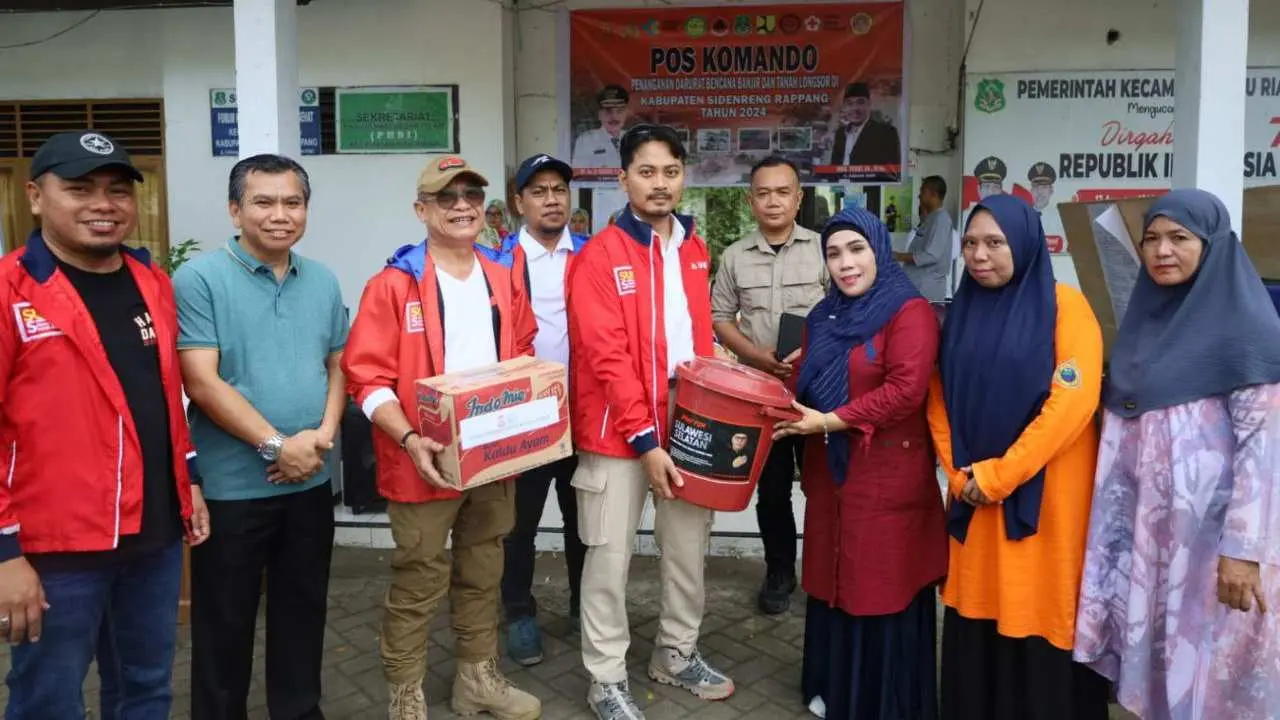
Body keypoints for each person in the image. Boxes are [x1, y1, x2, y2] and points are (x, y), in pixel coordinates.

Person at [0, 130, 210, 718]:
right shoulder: (10, 290)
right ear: (37, 197)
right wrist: (4, 553)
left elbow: (165, 395)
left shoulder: (151, 283)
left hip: (154, 533)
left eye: (118, 190)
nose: (103, 203)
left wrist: (187, 476)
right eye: (79, 188)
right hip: (55, 544)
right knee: (49, 696)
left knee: (146, 685)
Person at [342, 155, 540, 720]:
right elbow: (366, 377)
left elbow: (522, 353)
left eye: (471, 196)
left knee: (483, 567)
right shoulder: (392, 284)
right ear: (421, 209)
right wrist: (408, 439)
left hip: (492, 456)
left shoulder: (503, 275)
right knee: (419, 576)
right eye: (446, 198)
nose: (461, 207)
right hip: (421, 460)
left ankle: (477, 677)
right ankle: (405, 689)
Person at [1074, 189, 1280, 720]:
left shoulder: (1249, 331)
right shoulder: (1143, 327)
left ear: (1213, 245)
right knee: (1161, 676)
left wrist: (1243, 550)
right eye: (1152, 240)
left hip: (1214, 550)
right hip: (1152, 543)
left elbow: (1264, 453)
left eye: (1180, 238)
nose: (1162, 251)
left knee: (1212, 681)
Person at [567, 124, 733, 719]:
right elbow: (606, 357)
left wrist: (716, 408)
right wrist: (644, 440)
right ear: (623, 179)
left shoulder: (692, 247)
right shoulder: (598, 256)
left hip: (688, 424)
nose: (659, 184)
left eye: (669, 172)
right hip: (618, 432)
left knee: (688, 548)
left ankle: (676, 653)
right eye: (646, 172)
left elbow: (699, 339)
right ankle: (606, 676)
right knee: (609, 557)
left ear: (683, 177)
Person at [175, 154, 348, 720]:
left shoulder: (321, 279)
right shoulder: (199, 279)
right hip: (233, 491)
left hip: (309, 483)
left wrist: (321, 435)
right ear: (235, 209)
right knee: (225, 623)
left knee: (303, 613)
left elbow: (338, 365)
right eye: (264, 202)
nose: (280, 215)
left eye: (292, 202)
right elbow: (200, 380)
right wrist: (278, 446)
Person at [927, 194, 1111, 720]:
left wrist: (1000, 476)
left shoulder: (1065, 306)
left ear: (1026, 243)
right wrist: (958, 471)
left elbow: (1070, 402)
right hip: (973, 496)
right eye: (970, 243)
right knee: (979, 609)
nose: (979, 255)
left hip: (1045, 499)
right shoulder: (959, 312)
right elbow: (936, 394)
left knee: (1038, 606)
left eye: (994, 242)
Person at [773, 206, 946, 720]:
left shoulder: (908, 312)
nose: (845, 264)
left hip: (887, 477)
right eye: (834, 253)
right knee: (833, 577)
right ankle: (833, 686)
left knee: (881, 581)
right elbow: (801, 379)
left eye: (856, 250)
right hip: (832, 477)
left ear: (879, 250)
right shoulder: (823, 316)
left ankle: (879, 700)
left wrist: (827, 422)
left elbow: (905, 392)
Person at [479, 153, 590, 667]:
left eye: (559, 190)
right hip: (523, 417)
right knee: (517, 524)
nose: (551, 199)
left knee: (584, 521)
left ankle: (583, 606)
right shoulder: (496, 265)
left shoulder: (591, 256)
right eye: (539, 191)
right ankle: (519, 612)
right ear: (520, 202)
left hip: (585, 414)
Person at [710, 155, 825, 615]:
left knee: (822, 486)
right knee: (772, 488)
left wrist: (814, 354)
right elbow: (720, 318)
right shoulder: (735, 256)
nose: (773, 201)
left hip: (818, 392)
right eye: (763, 193)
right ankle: (780, 571)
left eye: (783, 192)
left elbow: (846, 315)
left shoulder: (824, 249)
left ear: (798, 198)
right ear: (750, 200)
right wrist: (757, 356)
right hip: (761, 395)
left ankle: (821, 567)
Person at [895, 175, 955, 302]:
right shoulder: (931, 219)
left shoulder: (941, 219)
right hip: (917, 287)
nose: (919, 196)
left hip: (927, 290)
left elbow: (931, 255)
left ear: (932, 193)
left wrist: (899, 256)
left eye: (922, 191)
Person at [827, 82, 900, 167]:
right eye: (850, 103)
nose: (855, 108)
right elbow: (834, 168)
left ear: (869, 104)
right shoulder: (840, 134)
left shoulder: (886, 133)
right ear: (844, 107)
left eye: (860, 102)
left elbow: (892, 172)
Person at [572, 84, 630, 169]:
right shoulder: (586, 140)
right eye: (608, 111)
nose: (614, 117)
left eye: (620, 111)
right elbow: (578, 176)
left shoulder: (633, 139)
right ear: (599, 114)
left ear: (626, 113)